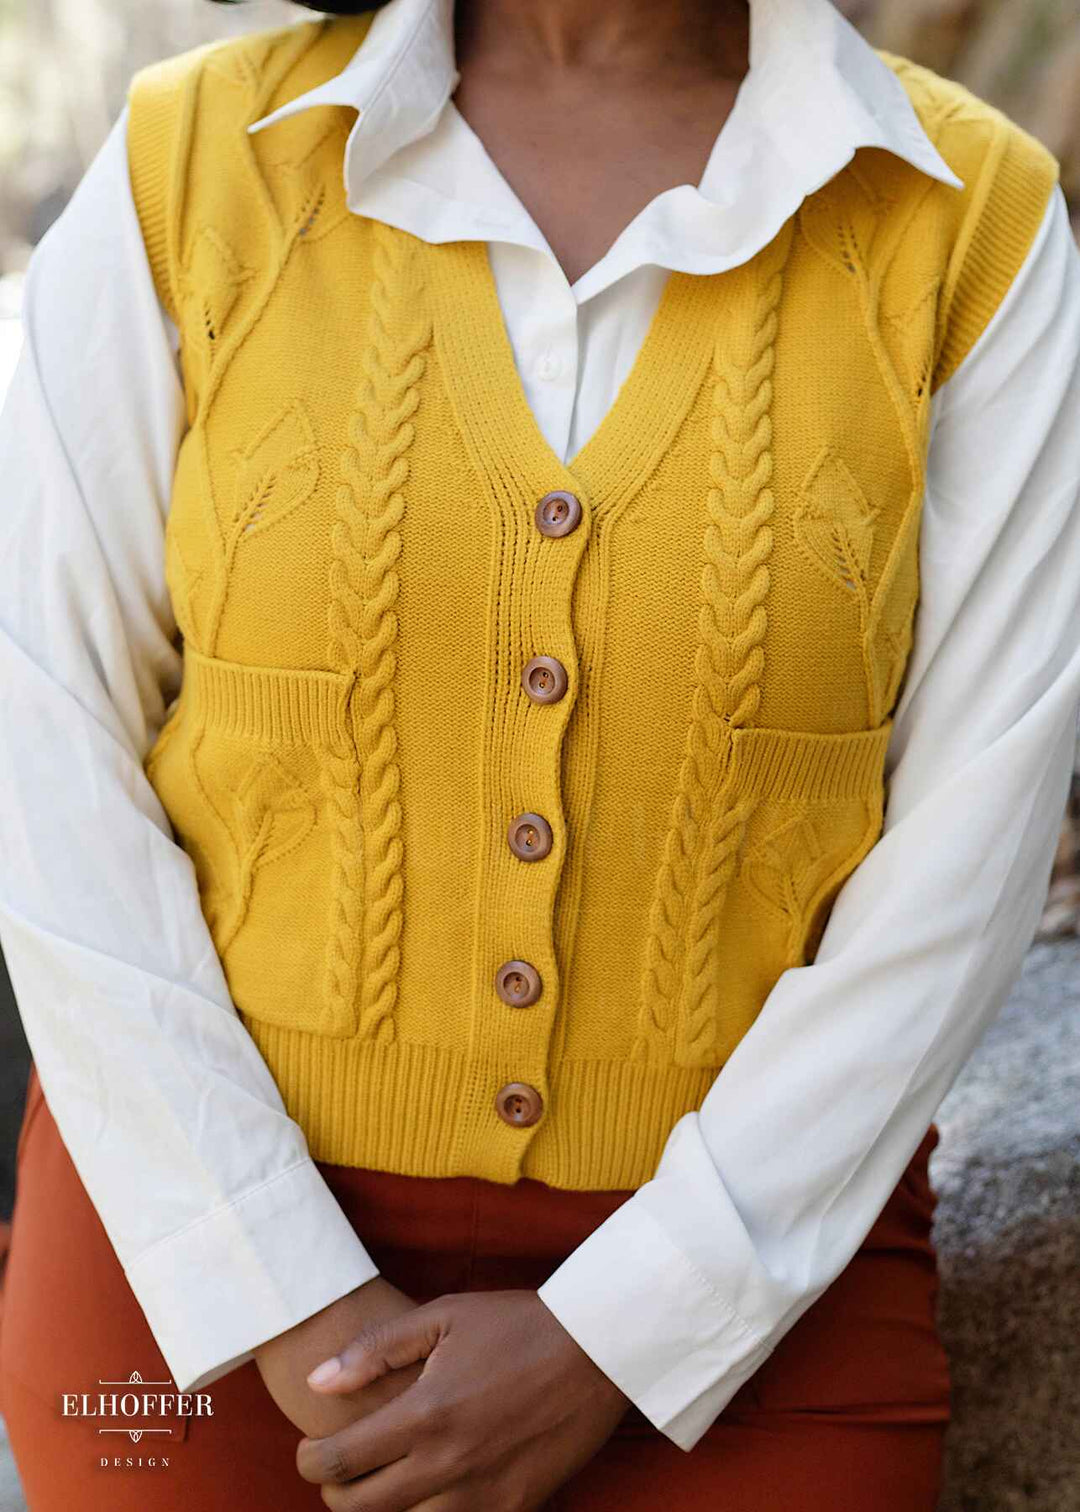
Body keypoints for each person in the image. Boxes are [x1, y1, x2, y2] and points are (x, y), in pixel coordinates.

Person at [1, 0, 1079, 1506]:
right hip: (192, 1268)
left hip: (758, 1309)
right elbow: (39, 746)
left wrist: (631, 1333)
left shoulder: (967, 221)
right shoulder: (193, 168)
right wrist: (283, 1295)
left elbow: (976, 840)